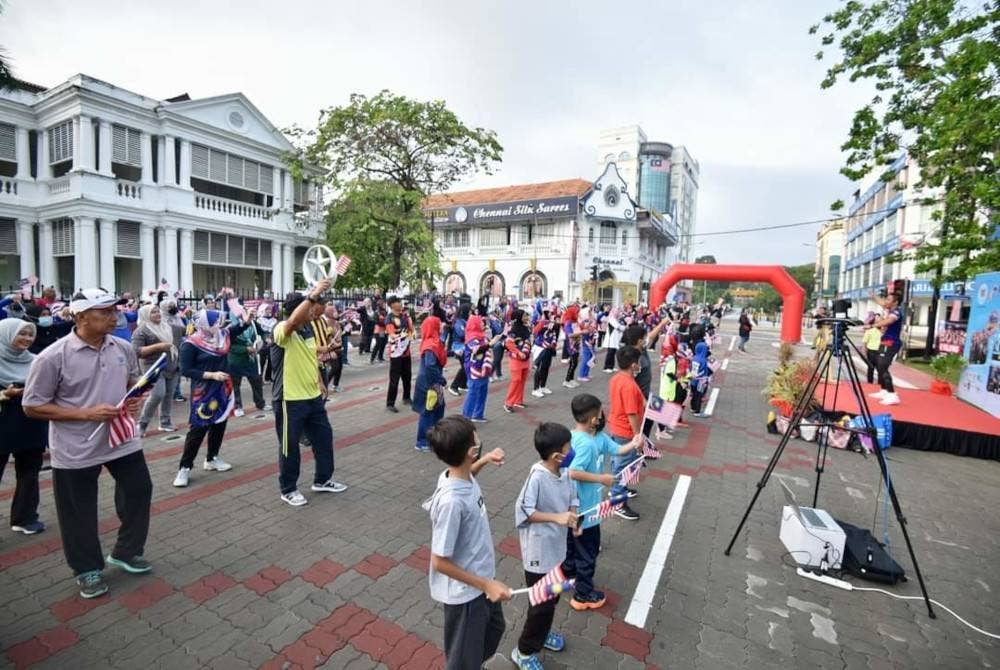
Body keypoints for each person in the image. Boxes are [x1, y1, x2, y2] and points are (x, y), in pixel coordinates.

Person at [23, 288, 153, 599]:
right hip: (76, 445)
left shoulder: (121, 347)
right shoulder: (52, 357)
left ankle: (126, 551)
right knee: (78, 510)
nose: (115, 316)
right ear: (81, 317)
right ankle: (86, 568)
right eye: (105, 311)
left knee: (139, 489)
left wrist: (134, 400)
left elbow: (131, 383)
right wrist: (85, 413)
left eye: (114, 310)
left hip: (121, 438)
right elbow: (32, 406)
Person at [423, 415, 510, 670]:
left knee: (495, 628)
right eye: (477, 439)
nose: (480, 440)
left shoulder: (456, 474)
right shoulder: (452, 503)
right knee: (462, 659)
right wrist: (486, 585)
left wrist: (484, 460)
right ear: (470, 451)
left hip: (480, 581)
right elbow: (439, 562)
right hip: (466, 595)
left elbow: (468, 475)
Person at [271, 278, 347, 506]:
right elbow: (292, 322)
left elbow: (310, 356)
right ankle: (288, 488)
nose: (315, 311)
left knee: (324, 438)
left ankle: (322, 480)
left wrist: (319, 382)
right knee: (289, 446)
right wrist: (315, 292)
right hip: (289, 399)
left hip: (312, 397)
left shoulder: (308, 331)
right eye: (311, 306)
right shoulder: (282, 330)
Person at [511, 422, 577, 668]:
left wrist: (573, 516)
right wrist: (556, 517)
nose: (572, 451)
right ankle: (524, 652)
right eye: (569, 447)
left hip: (557, 549)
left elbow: (573, 497)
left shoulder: (565, 471)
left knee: (552, 598)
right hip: (539, 554)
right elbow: (524, 510)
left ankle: (543, 631)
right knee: (540, 606)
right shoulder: (537, 477)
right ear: (556, 455)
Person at [566, 393, 640, 610]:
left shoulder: (576, 437)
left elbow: (616, 449)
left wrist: (634, 442)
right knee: (588, 553)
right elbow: (573, 472)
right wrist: (602, 479)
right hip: (586, 511)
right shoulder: (587, 444)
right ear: (592, 419)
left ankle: (569, 574)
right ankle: (583, 595)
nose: (602, 416)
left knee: (573, 546)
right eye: (599, 414)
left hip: (575, 508)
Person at [173, 308, 254, 487]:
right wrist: (211, 375)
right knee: (198, 429)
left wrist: (247, 321)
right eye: (215, 322)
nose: (219, 324)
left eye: (220, 321)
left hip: (223, 389)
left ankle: (212, 458)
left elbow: (236, 329)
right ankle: (184, 468)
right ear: (204, 324)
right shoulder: (190, 343)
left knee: (219, 424)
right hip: (203, 391)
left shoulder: (222, 335)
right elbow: (186, 369)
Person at [0, 319, 48, 535]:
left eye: (30, 334)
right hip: (3, 422)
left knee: (29, 471)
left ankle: (25, 517)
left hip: (30, 422)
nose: (27, 339)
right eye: (22, 334)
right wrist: (4, 394)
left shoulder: (36, 361)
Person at [605, 346, 646, 521]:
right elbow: (631, 413)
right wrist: (638, 436)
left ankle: (619, 489)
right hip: (625, 431)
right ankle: (617, 502)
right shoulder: (629, 385)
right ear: (633, 364)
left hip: (615, 426)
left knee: (619, 463)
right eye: (638, 362)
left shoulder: (617, 378)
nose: (640, 365)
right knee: (623, 466)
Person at [131, 304, 179, 437]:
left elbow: (182, 333)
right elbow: (136, 351)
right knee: (158, 394)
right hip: (153, 366)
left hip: (172, 365)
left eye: (158, 311)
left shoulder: (167, 326)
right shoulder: (141, 330)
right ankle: (142, 424)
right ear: (146, 315)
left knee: (168, 395)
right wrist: (158, 346)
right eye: (153, 312)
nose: (157, 314)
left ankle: (165, 422)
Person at [413, 315, 447, 453]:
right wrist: (441, 379)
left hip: (433, 382)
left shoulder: (435, 342)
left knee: (438, 408)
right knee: (428, 411)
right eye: (439, 324)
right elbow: (430, 365)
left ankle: (434, 438)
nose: (442, 326)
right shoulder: (430, 345)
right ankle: (422, 441)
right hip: (428, 383)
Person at [462, 316, 501, 423]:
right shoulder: (472, 337)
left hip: (484, 368)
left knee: (482, 392)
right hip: (475, 369)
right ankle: (465, 418)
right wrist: (490, 344)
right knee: (473, 393)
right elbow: (476, 350)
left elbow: (487, 347)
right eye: (480, 323)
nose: (483, 324)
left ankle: (478, 415)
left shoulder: (482, 336)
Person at [869, 291, 905, 406]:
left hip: (891, 342)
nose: (886, 302)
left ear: (896, 302)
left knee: (883, 366)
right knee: (879, 366)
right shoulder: (889, 309)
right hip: (885, 340)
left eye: (889, 300)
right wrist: (874, 296)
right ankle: (884, 390)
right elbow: (881, 302)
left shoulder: (896, 313)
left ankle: (892, 395)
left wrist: (873, 325)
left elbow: (889, 321)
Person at [229, 314, 266, 416]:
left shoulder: (253, 323)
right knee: (235, 385)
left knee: (256, 381)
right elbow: (228, 345)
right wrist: (245, 349)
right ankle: (237, 406)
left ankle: (260, 403)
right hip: (236, 360)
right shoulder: (230, 327)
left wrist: (264, 340)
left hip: (251, 359)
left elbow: (262, 333)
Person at [384, 296, 415, 412]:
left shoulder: (404, 316)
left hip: (406, 352)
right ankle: (390, 403)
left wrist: (410, 324)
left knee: (407, 376)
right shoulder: (389, 318)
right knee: (394, 379)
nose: (400, 304)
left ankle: (406, 397)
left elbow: (411, 331)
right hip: (396, 353)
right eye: (398, 302)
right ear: (392, 305)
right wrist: (401, 335)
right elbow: (392, 334)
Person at [503, 309, 532, 413]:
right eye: (525, 316)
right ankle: (508, 403)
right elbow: (508, 343)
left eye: (527, 316)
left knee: (522, 380)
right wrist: (518, 352)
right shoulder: (513, 330)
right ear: (519, 317)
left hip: (526, 358)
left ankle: (518, 400)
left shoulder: (525, 328)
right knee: (516, 381)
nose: (527, 318)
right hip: (516, 360)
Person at [530, 308, 559, 398]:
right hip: (540, 347)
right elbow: (535, 332)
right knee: (539, 368)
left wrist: (553, 343)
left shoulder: (551, 322)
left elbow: (554, 333)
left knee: (546, 367)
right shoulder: (540, 321)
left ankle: (543, 386)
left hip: (549, 347)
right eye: (550, 312)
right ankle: (535, 389)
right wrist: (543, 322)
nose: (551, 313)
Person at [448, 304, 469, 397]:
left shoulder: (464, 321)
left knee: (466, 366)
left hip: (464, 345)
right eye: (469, 311)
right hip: (459, 347)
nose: (470, 313)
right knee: (465, 367)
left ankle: (462, 385)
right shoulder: (459, 322)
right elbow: (461, 334)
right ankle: (453, 386)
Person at [688, 342, 713, 417]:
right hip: (701, 381)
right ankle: (697, 411)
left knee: (694, 395)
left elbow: (691, 368)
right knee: (699, 396)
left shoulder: (694, 358)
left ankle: (692, 408)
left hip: (693, 380)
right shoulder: (703, 360)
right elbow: (704, 371)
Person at [561, 304, 581, 389]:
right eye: (576, 312)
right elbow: (569, 335)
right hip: (571, 344)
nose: (578, 314)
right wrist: (582, 332)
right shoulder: (568, 322)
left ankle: (571, 379)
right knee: (573, 363)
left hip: (576, 343)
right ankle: (566, 380)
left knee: (575, 362)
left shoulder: (575, 322)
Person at [602, 307, 625, 373]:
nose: (618, 313)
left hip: (614, 339)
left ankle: (611, 366)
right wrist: (624, 327)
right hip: (611, 339)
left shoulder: (615, 319)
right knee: (610, 353)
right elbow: (618, 327)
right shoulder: (611, 319)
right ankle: (607, 367)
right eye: (616, 311)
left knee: (613, 352)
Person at [862, 312, 881, 384]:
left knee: (881, 369)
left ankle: (880, 383)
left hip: (880, 351)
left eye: (879, 318)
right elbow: (865, 342)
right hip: (871, 351)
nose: (878, 320)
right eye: (876, 318)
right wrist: (864, 352)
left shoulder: (883, 331)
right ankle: (870, 383)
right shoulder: (870, 331)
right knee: (871, 368)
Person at [369, 299, 388, 364]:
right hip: (378, 330)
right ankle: (372, 358)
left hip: (383, 330)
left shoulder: (385, 311)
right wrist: (383, 322)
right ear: (381, 305)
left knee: (383, 343)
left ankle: (380, 356)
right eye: (384, 304)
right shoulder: (377, 312)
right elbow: (375, 321)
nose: (385, 305)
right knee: (378, 344)